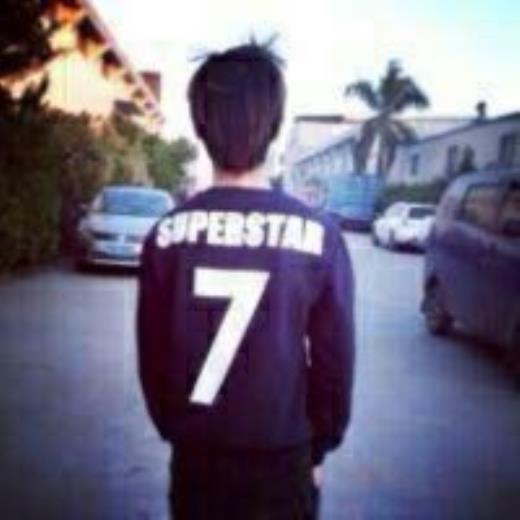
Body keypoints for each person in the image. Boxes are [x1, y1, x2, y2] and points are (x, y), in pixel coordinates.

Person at [137, 41, 355, 520]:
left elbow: (153, 357)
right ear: (274, 126)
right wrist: (320, 446)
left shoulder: (166, 237)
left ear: (199, 125)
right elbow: (334, 361)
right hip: (283, 459)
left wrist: (175, 428)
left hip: (196, 458)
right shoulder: (320, 235)